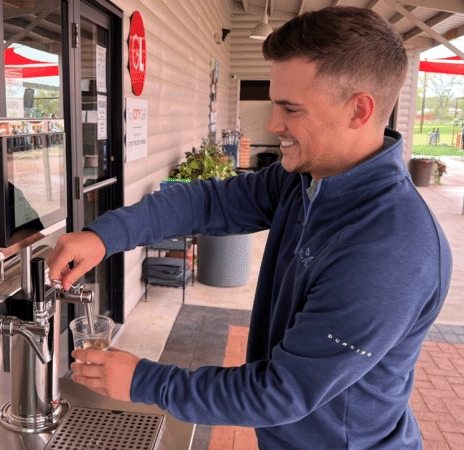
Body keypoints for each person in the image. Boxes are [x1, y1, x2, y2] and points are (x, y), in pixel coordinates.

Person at [47, 6, 452, 450]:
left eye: (290, 108)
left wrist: (147, 381)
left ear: (360, 110)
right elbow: (211, 200)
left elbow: (283, 391)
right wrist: (105, 234)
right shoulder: (307, 180)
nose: (273, 125)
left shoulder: (390, 249)